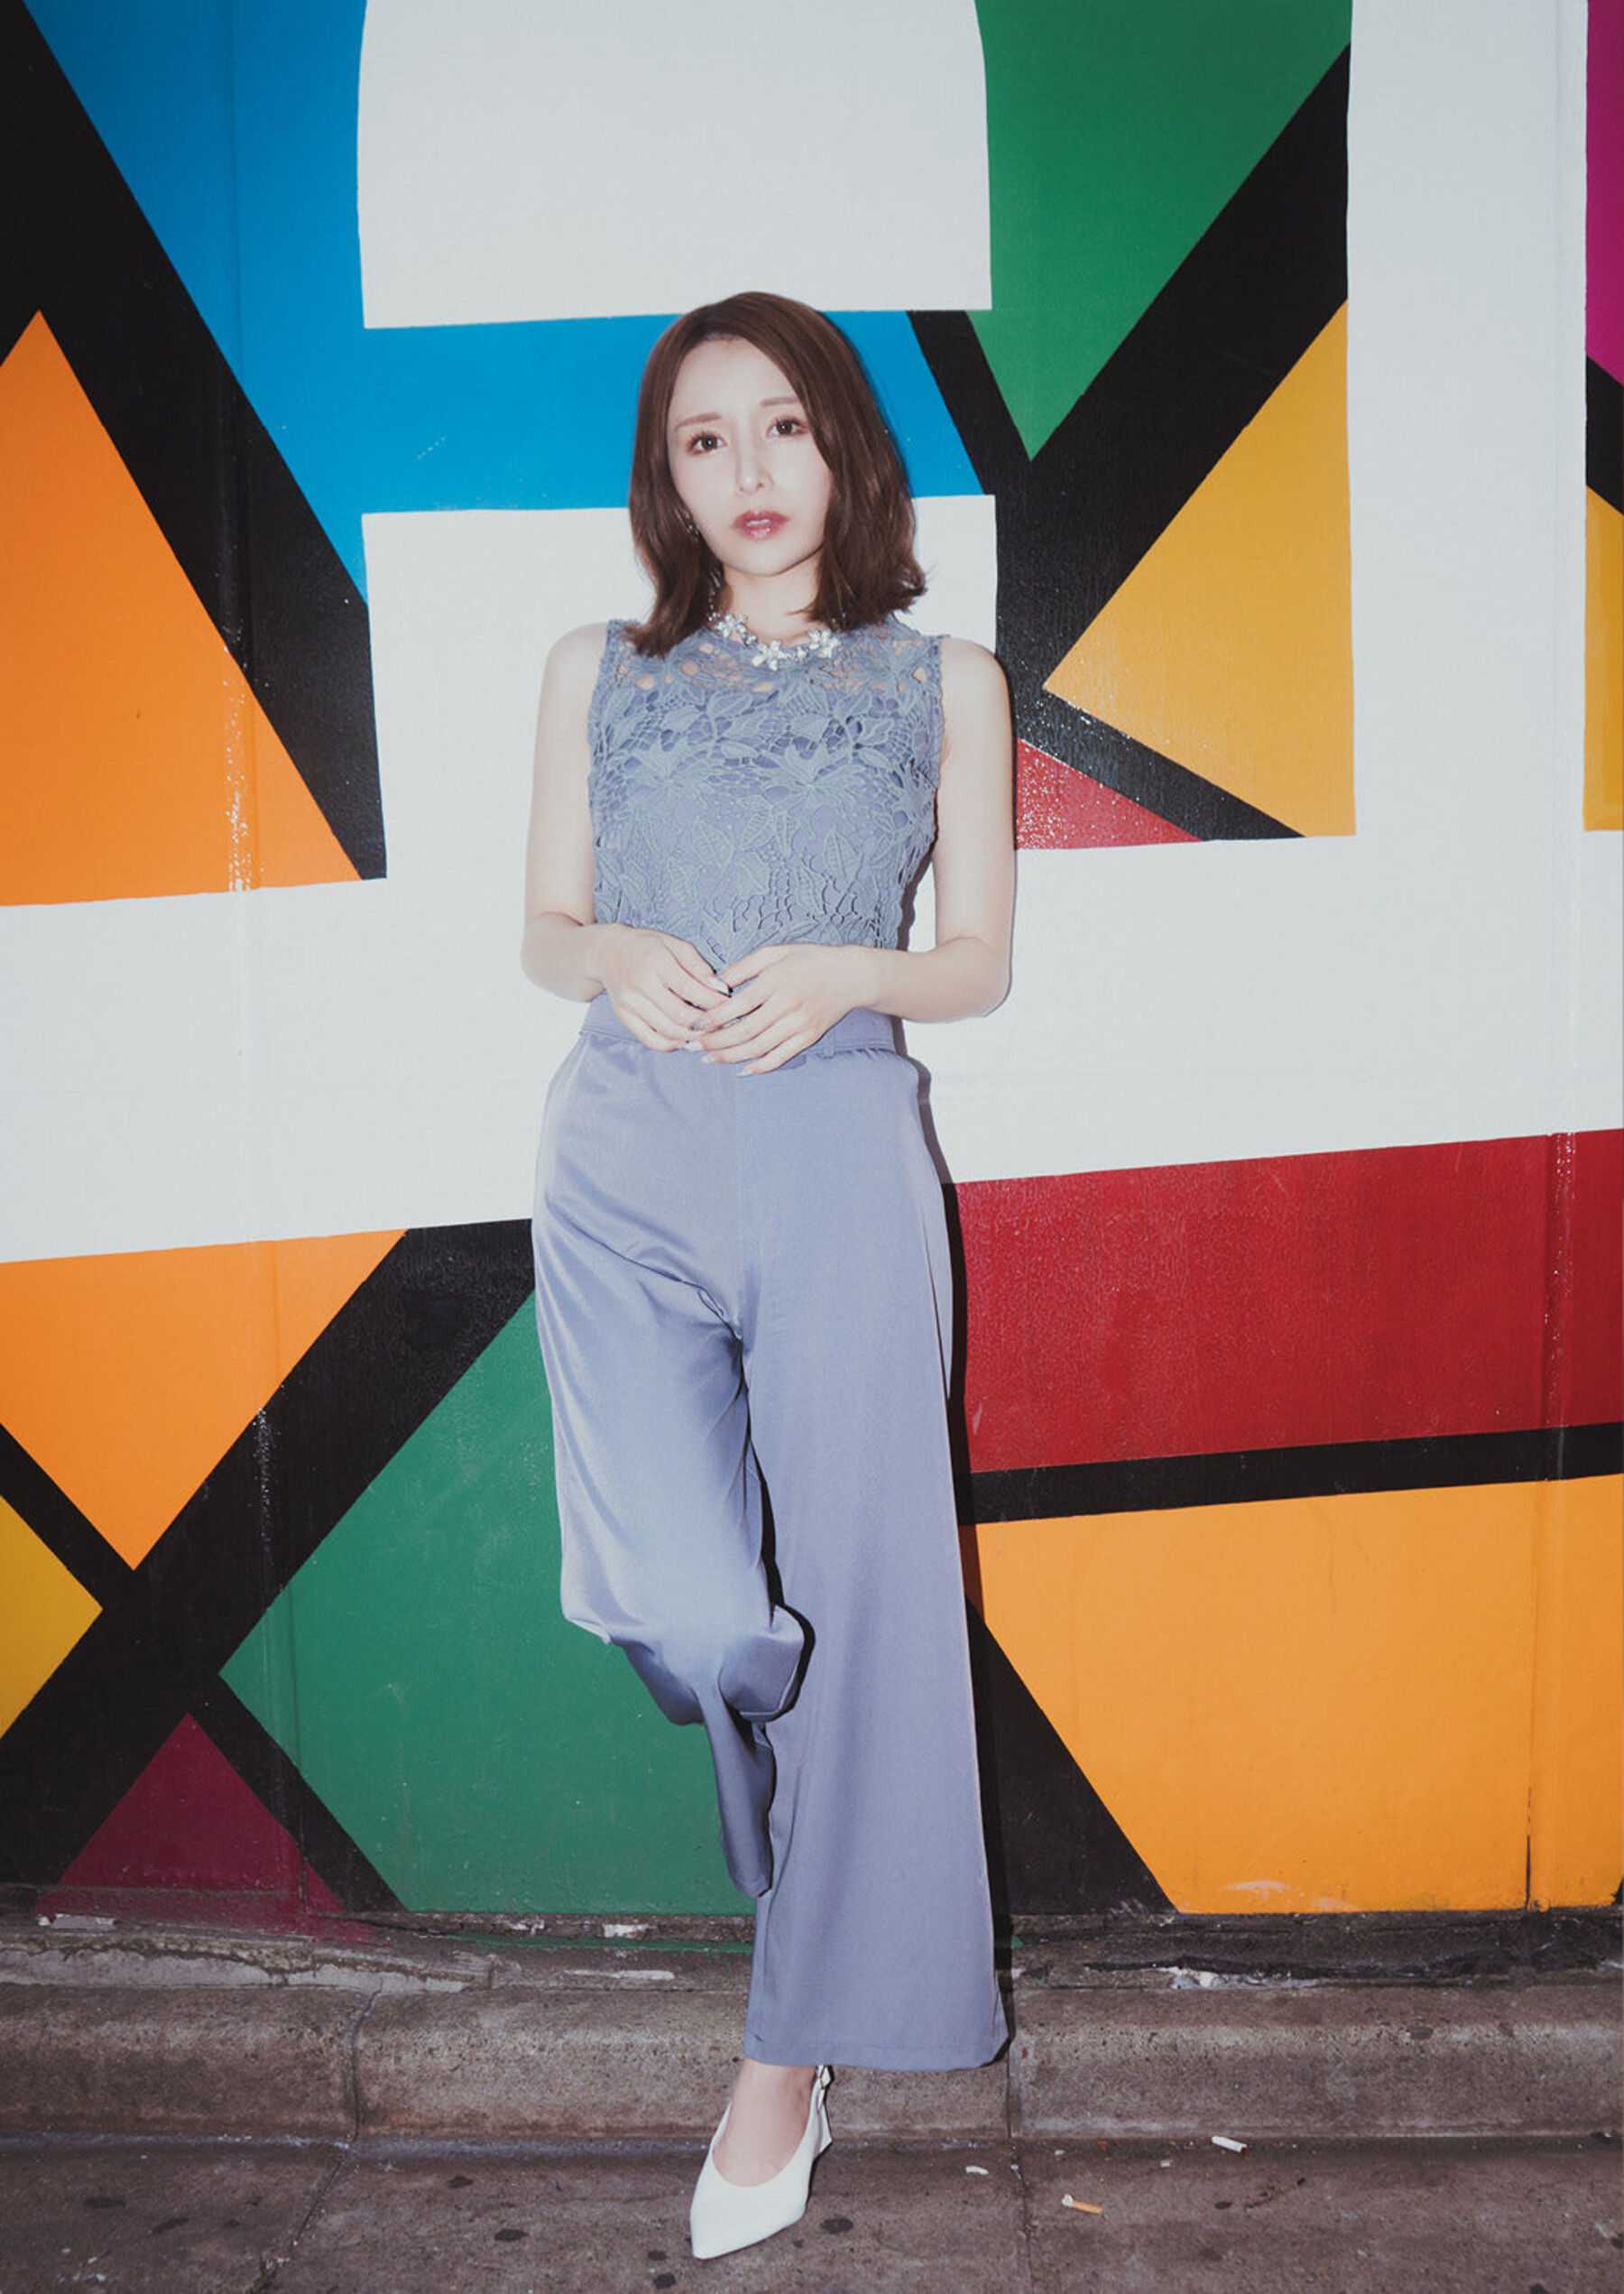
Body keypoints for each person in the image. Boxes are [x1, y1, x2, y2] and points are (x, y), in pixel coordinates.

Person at [520, 290, 1016, 2262]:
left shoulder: (944, 679)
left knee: (871, 1617)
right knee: (700, 1605)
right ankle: (804, 1899)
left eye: (784, 426)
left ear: (844, 450)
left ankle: (786, 2049)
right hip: (627, 1152)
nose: (748, 470)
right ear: (667, 475)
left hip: (837, 1143)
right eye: (705, 437)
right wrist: (607, 954)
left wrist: (847, 973)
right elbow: (542, 925)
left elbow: (978, 959)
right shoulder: (597, 666)